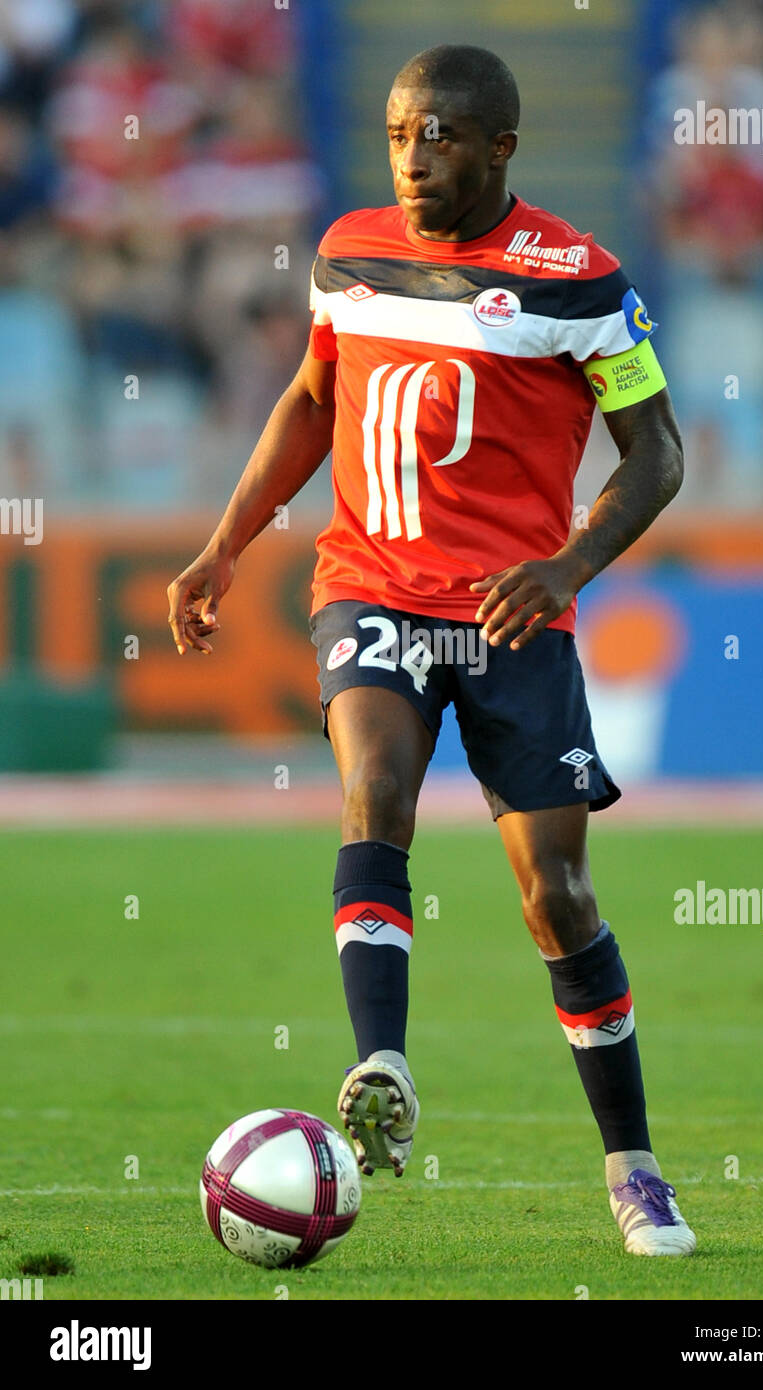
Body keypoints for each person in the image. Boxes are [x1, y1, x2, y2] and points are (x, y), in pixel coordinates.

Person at [168, 44, 695, 1256]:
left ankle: (634, 1167)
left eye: (443, 136)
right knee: (375, 792)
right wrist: (224, 543)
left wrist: (563, 566)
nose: (414, 157)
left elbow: (657, 452)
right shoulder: (348, 250)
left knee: (554, 899)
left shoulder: (578, 280)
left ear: (501, 147)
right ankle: (382, 1071)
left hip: (516, 612)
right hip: (371, 586)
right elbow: (312, 399)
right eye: (402, 133)